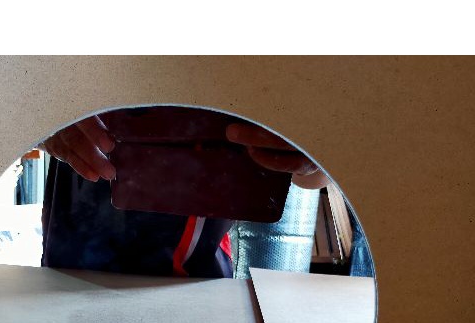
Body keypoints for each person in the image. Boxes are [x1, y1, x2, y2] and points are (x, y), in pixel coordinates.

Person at [38, 111, 328, 278]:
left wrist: (314, 155)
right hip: (67, 272)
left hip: (192, 284)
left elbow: (315, 176)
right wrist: (41, 122)